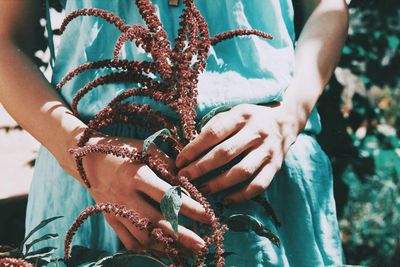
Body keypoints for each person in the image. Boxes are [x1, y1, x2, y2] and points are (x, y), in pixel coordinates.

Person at [0, 0, 349, 266]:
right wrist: (82, 154)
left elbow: (327, 6)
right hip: (99, 185)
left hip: (265, 168)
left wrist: (287, 118)